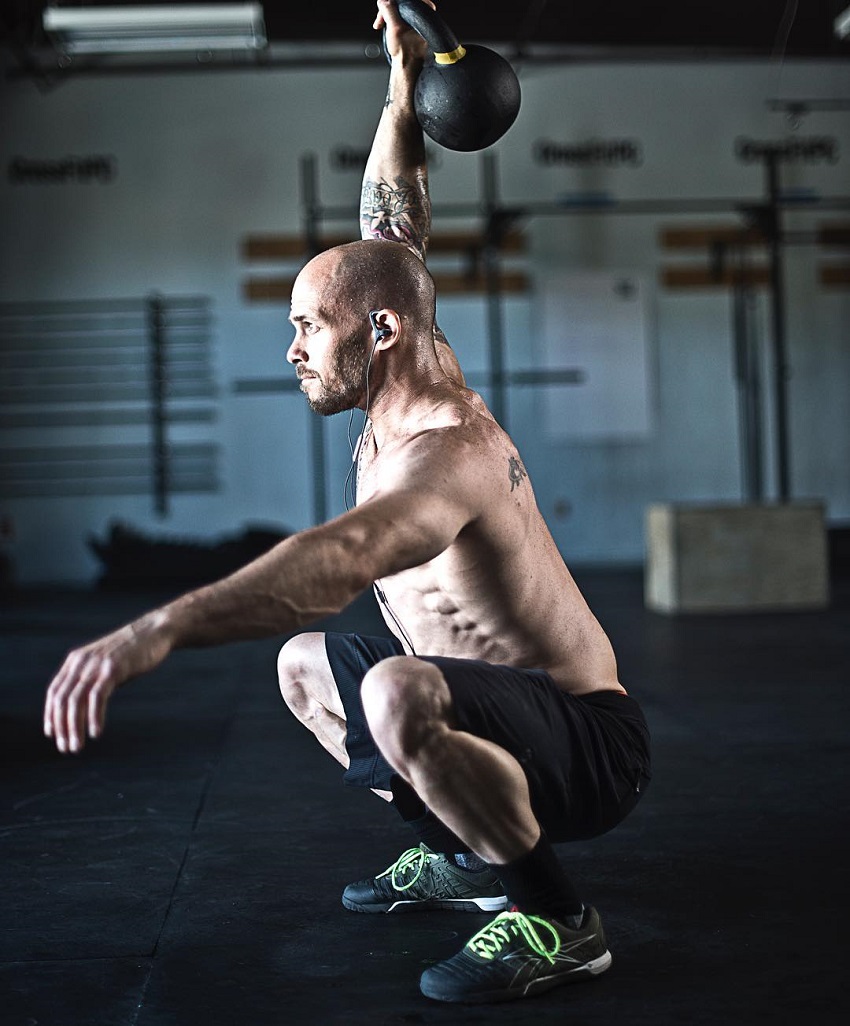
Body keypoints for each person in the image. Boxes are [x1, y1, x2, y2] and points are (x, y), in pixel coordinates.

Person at [43, 0, 651, 1006]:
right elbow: (394, 214)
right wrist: (402, 82)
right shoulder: (405, 346)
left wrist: (151, 632)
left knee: (391, 690)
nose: (289, 349)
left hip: (586, 745)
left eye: (304, 326)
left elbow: (340, 557)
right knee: (302, 668)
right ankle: (466, 859)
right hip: (492, 707)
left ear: (375, 332)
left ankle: (556, 917)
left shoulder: (444, 453)